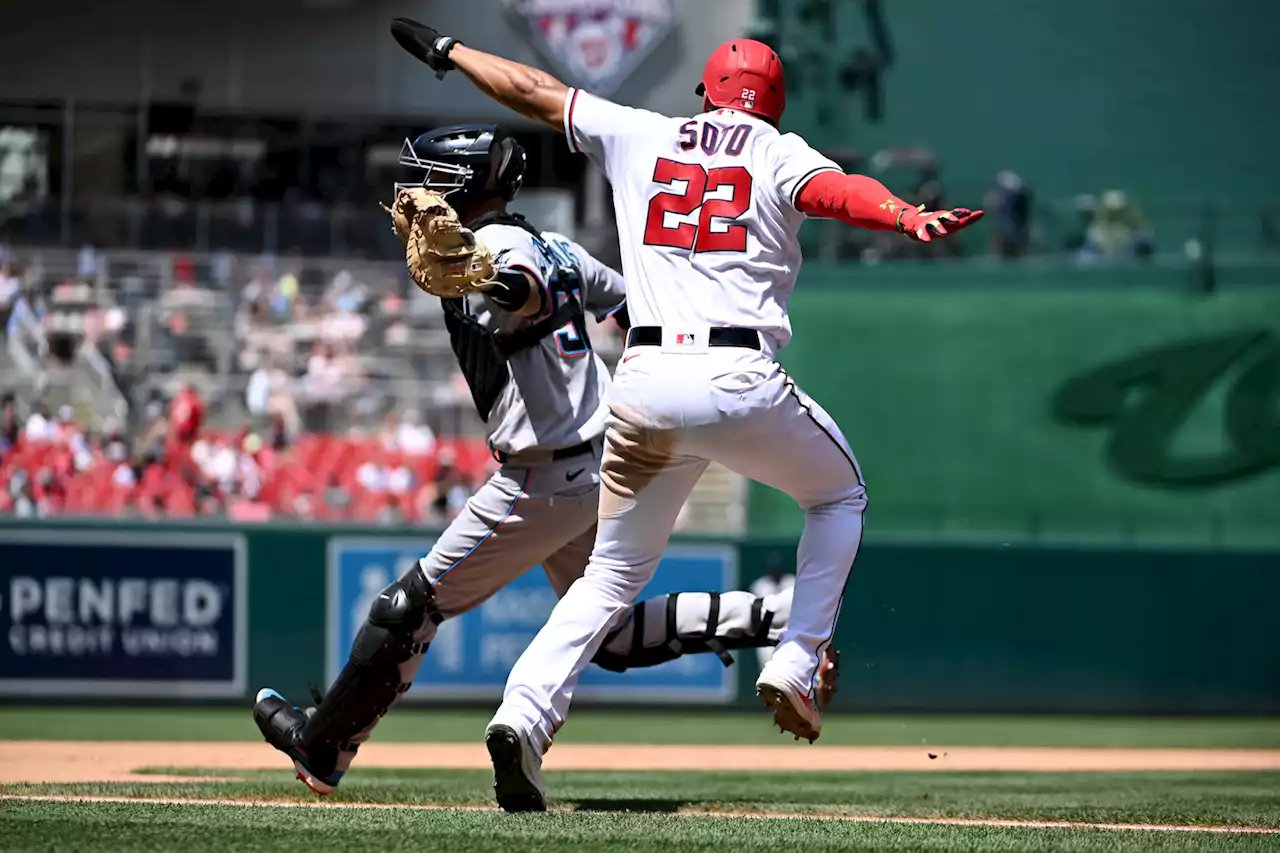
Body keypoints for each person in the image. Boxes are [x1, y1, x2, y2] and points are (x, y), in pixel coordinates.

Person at [385, 21, 984, 811]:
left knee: (607, 577)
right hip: (736, 375)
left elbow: (531, 91)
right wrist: (904, 215)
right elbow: (834, 191)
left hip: (643, 381)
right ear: (770, 105)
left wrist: (452, 52)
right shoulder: (777, 149)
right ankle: (796, 658)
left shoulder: (644, 133)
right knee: (838, 496)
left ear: (705, 92)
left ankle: (522, 717)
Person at [251, 123, 830, 795]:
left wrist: (499, 283)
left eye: (430, 180)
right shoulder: (552, 243)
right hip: (608, 460)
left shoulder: (490, 249)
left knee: (407, 607)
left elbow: (518, 288)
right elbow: (631, 303)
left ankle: (322, 747)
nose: (416, 197)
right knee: (610, 634)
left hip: (544, 476)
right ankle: (772, 616)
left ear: (460, 186)